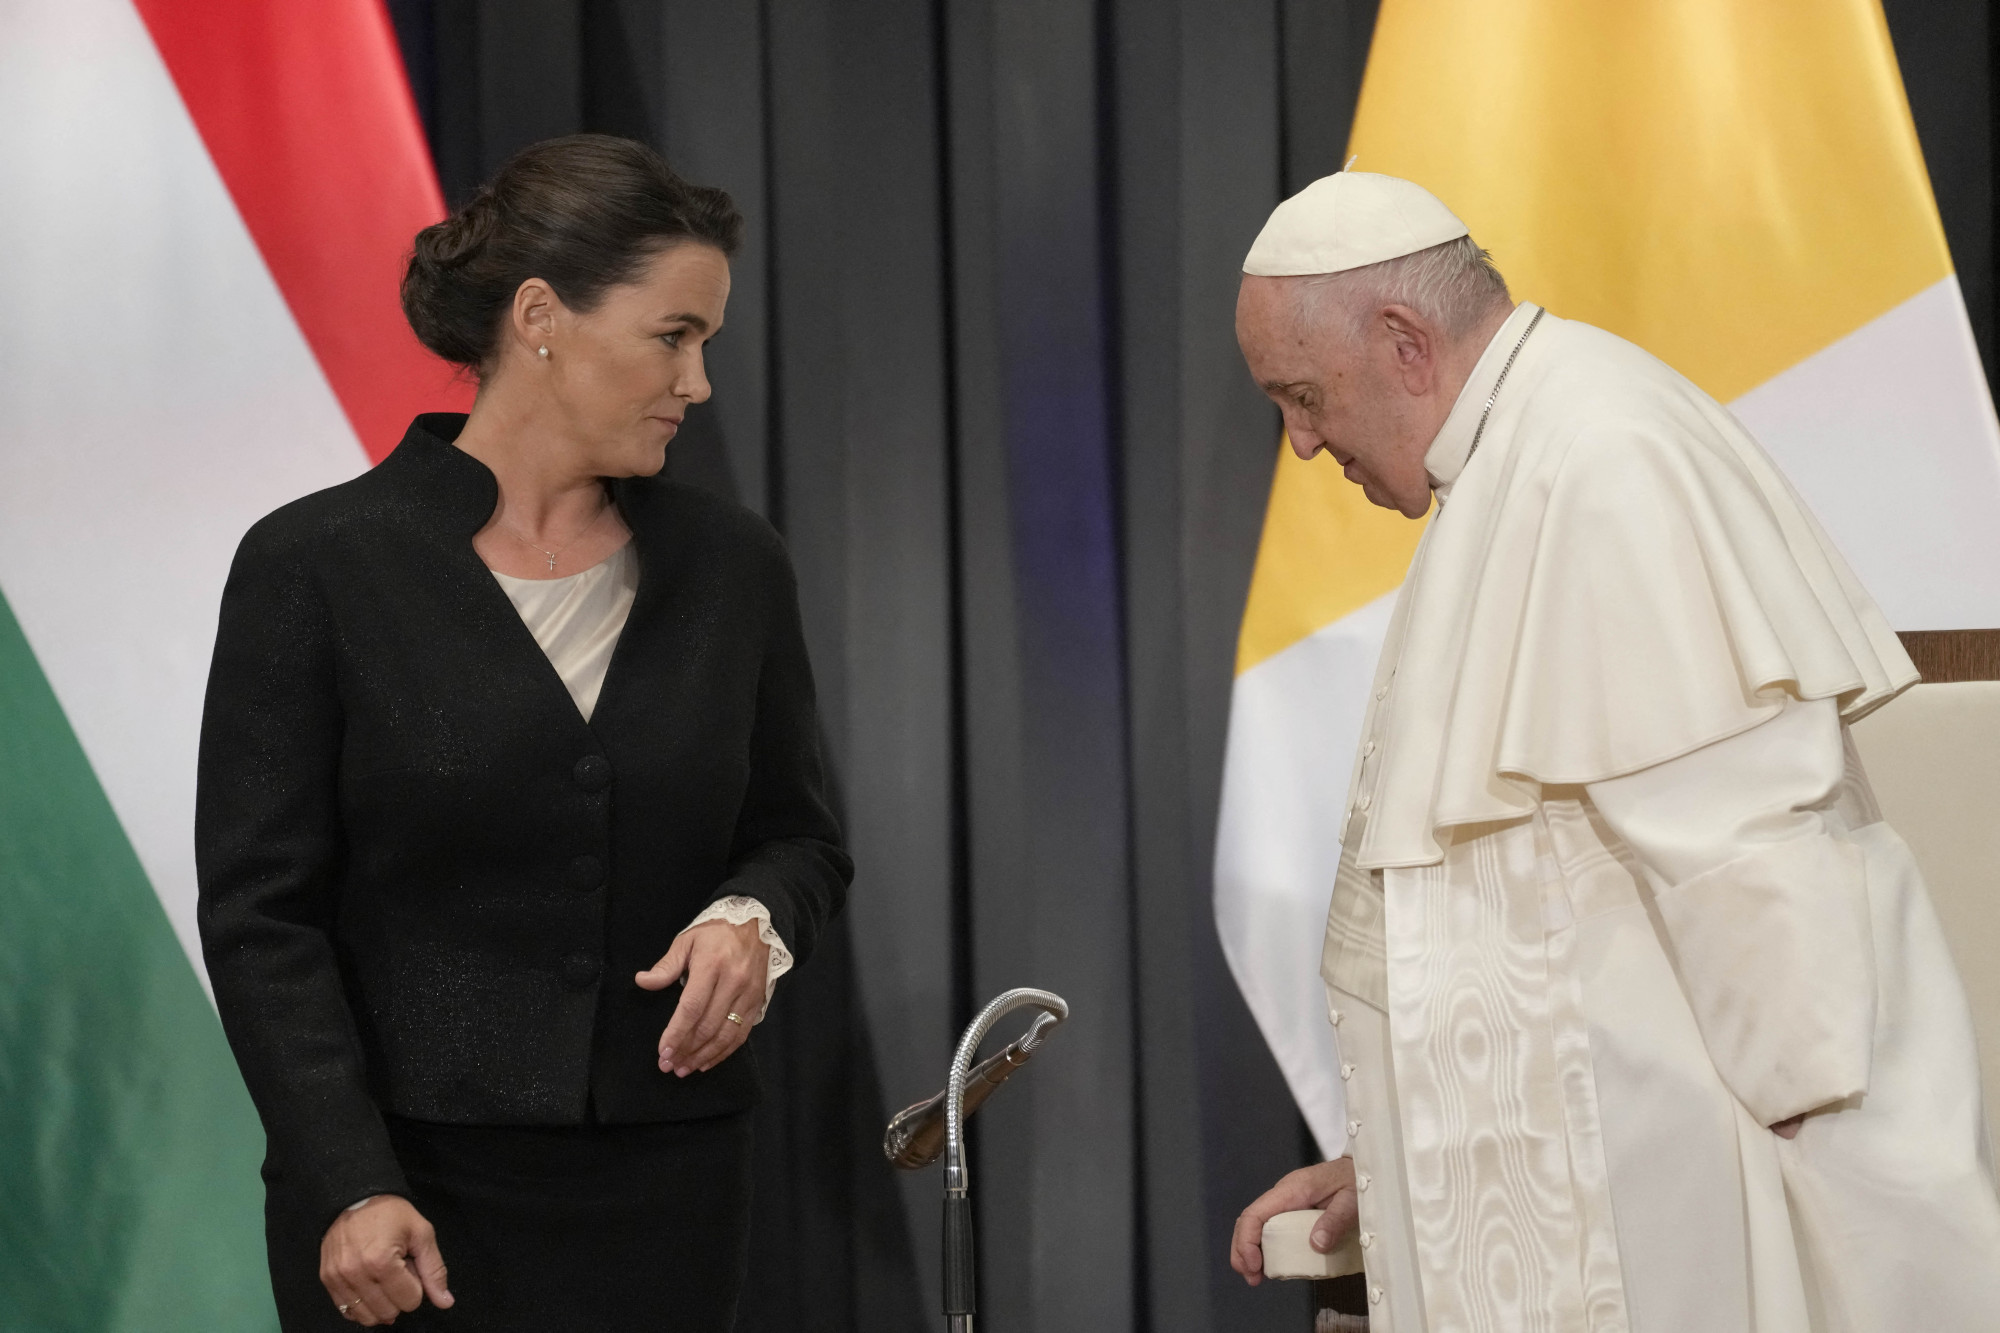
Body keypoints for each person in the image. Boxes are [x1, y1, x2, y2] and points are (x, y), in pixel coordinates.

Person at [1225, 171, 2000, 1330]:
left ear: (1402, 342)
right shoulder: (1521, 454)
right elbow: (1539, 920)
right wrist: (1399, 1163)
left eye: (1302, 395)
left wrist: (1845, 1203)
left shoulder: (1600, 456)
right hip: (1623, 1160)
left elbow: (1745, 866)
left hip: (1688, 1192)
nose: (1299, 442)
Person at [195, 134, 851, 1331]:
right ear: (541, 317)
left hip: (667, 1193)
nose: (698, 381)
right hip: (400, 1203)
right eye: (673, 335)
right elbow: (261, 918)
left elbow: (798, 839)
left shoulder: (733, 567)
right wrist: (349, 1179)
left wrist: (750, 918)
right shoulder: (315, 563)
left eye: (705, 342)